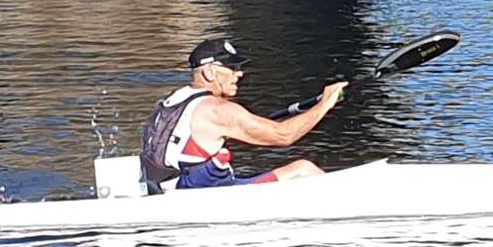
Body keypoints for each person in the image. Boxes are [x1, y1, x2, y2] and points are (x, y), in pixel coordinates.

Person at [141, 38, 346, 192]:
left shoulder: (173, 101)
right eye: (231, 68)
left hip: (166, 187)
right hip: (199, 195)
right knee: (304, 169)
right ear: (209, 72)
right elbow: (284, 136)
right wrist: (325, 104)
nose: (239, 74)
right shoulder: (217, 110)